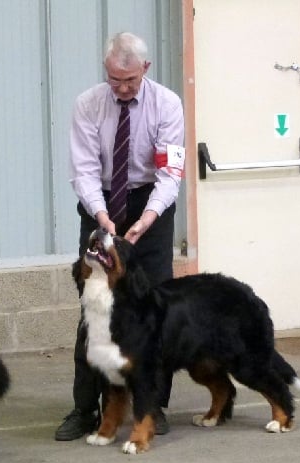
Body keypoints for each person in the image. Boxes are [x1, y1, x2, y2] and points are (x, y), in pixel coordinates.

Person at [55, 32, 185, 441]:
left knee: (155, 305)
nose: (123, 87)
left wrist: (146, 218)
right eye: (115, 79)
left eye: (130, 79)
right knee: (93, 308)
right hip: (101, 202)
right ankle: (83, 409)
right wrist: (102, 218)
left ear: (145, 69)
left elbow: (169, 174)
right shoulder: (88, 104)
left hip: (151, 205)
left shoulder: (167, 104)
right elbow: (84, 171)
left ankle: (153, 406)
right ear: (106, 71)